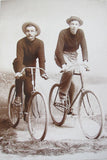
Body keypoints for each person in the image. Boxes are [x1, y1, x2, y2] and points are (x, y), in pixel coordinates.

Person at [13, 22, 48, 119]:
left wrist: (42, 72)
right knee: (21, 75)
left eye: (32, 31)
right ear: (25, 32)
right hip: (19, 64)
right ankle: (18, 96)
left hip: (31, 67)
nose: (30, 33)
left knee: (29, 91)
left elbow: (42, 59)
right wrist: (19, 71)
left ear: (36, 32)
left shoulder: (40, 43)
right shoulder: (20, 42)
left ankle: (26, 112)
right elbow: (19, 58)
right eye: (27, 31)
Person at [55, 16, 89, 114]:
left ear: (79, 26)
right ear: (69, 25)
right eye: (72, 24)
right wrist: (63, 65)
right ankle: (62, 96)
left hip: (73, 56)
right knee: (69, 71)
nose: (74, 26)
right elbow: (58, 50)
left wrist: (85, 61)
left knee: (79, 77)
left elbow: (84, 47)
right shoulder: (63, 33)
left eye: (76, 24)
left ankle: (71, 107)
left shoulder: (81, 33)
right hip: (61, 55)